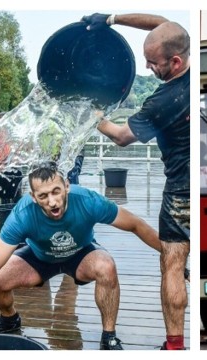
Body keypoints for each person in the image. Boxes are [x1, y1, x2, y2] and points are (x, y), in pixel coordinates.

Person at [81, 13, 190, 350]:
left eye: (153, 63)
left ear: (174, 61)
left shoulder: (163, 101)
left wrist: (93, 114)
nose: (147, 69)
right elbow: (163, 23)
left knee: (173, 263)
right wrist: (113, 19)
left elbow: (121, 137)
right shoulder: (191, 56)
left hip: (180, 191)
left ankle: (174, 344)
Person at [0, 162, 161, 350]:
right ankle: (9, 319)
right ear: (33, 197)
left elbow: (136, 224)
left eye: (56, 191)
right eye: (43, 196)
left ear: (67, 186)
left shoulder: (88, 200)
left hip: (80, 253)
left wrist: (172, 258)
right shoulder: (22, 214)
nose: (52, 202)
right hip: (40, 257)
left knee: (106, 266)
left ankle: (109, 336)